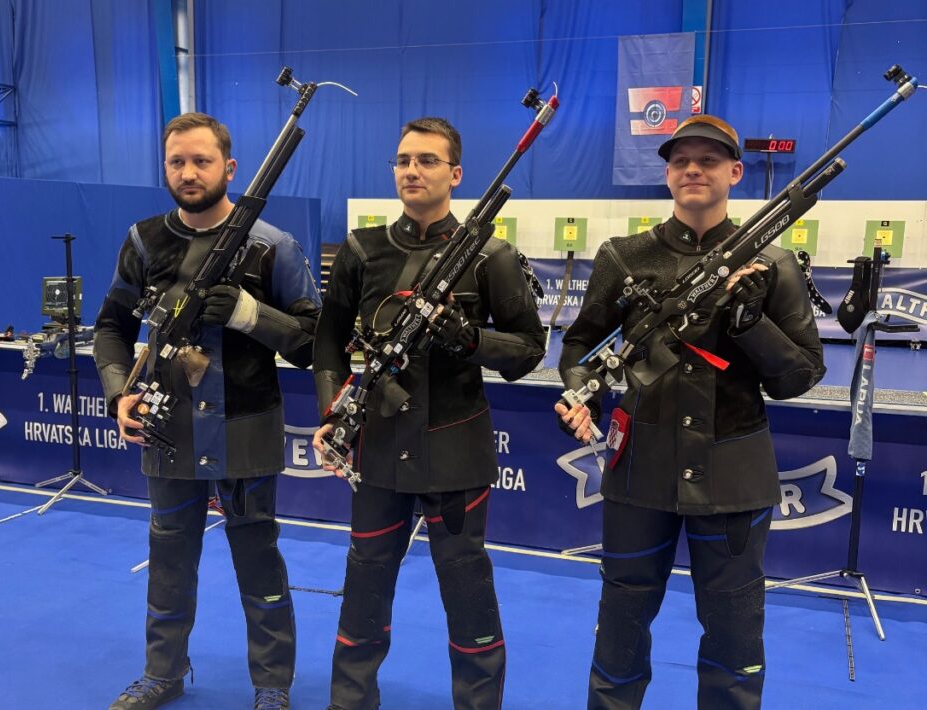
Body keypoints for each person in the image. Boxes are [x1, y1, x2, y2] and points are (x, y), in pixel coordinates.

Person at [555, 115, 825, 709]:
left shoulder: (774, 265)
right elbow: (579, 347)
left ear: (735, 172)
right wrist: (580, 395)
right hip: (639, 472)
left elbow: (800, 377)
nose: (693, 169)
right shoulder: (624, 257)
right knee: (621, 629)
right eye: (681, 160)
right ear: (668, 175)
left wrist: (751, 323)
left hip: (734, 475)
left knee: (734, 639)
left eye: (708, 159)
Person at [312, 117, 546, 710]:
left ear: (456, 174)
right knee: (364, 585)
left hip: (456, 451)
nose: (411, 170)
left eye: (427, 160)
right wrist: (333, 411)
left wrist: (468, 339)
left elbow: (528, 351)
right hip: (377, 447)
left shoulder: (491, 255)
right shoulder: (361, 250)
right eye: (402, 160)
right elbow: (327, 340)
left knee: (467, 590)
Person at [94, 112, 322, 710]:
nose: (189, 173)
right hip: (167, 427)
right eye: (177, 162)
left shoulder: (273, 246)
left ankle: (272, 687)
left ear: (230, 167)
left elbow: (315, 344)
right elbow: (111, 328)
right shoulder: (144, 240)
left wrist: (252, 315)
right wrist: (119, 393)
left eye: (201, 160)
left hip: (247, 429)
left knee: (259, 561)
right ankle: (162, 674)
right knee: (169, 558)